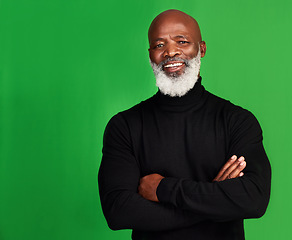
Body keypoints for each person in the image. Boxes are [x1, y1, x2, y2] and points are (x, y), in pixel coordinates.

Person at [98, 9, 271, 240]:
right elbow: (118, 212)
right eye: (159, 45)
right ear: (150, 55)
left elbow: (254, 200)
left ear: (201, 49)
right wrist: (213, 198)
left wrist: (163, 189)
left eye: (182, 41)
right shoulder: (124, 126)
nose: (171, 52)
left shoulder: (237, 121)